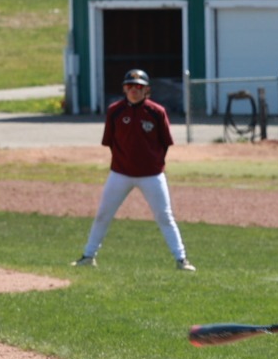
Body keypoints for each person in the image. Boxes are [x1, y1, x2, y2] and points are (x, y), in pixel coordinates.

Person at [74, 68, 194, 271]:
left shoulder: (156, 112)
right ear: (124, 89)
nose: (133, 90)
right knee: (103, 214)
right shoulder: (115, 111)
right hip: (120, 173)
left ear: (147, 89)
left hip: (152, 175)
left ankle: (181, 259)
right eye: (129, 86)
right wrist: (124, 161)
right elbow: (110, 142)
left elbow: (165, 143)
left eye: (138, 86)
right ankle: (88, 256)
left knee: (165, 216)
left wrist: (153, 163)